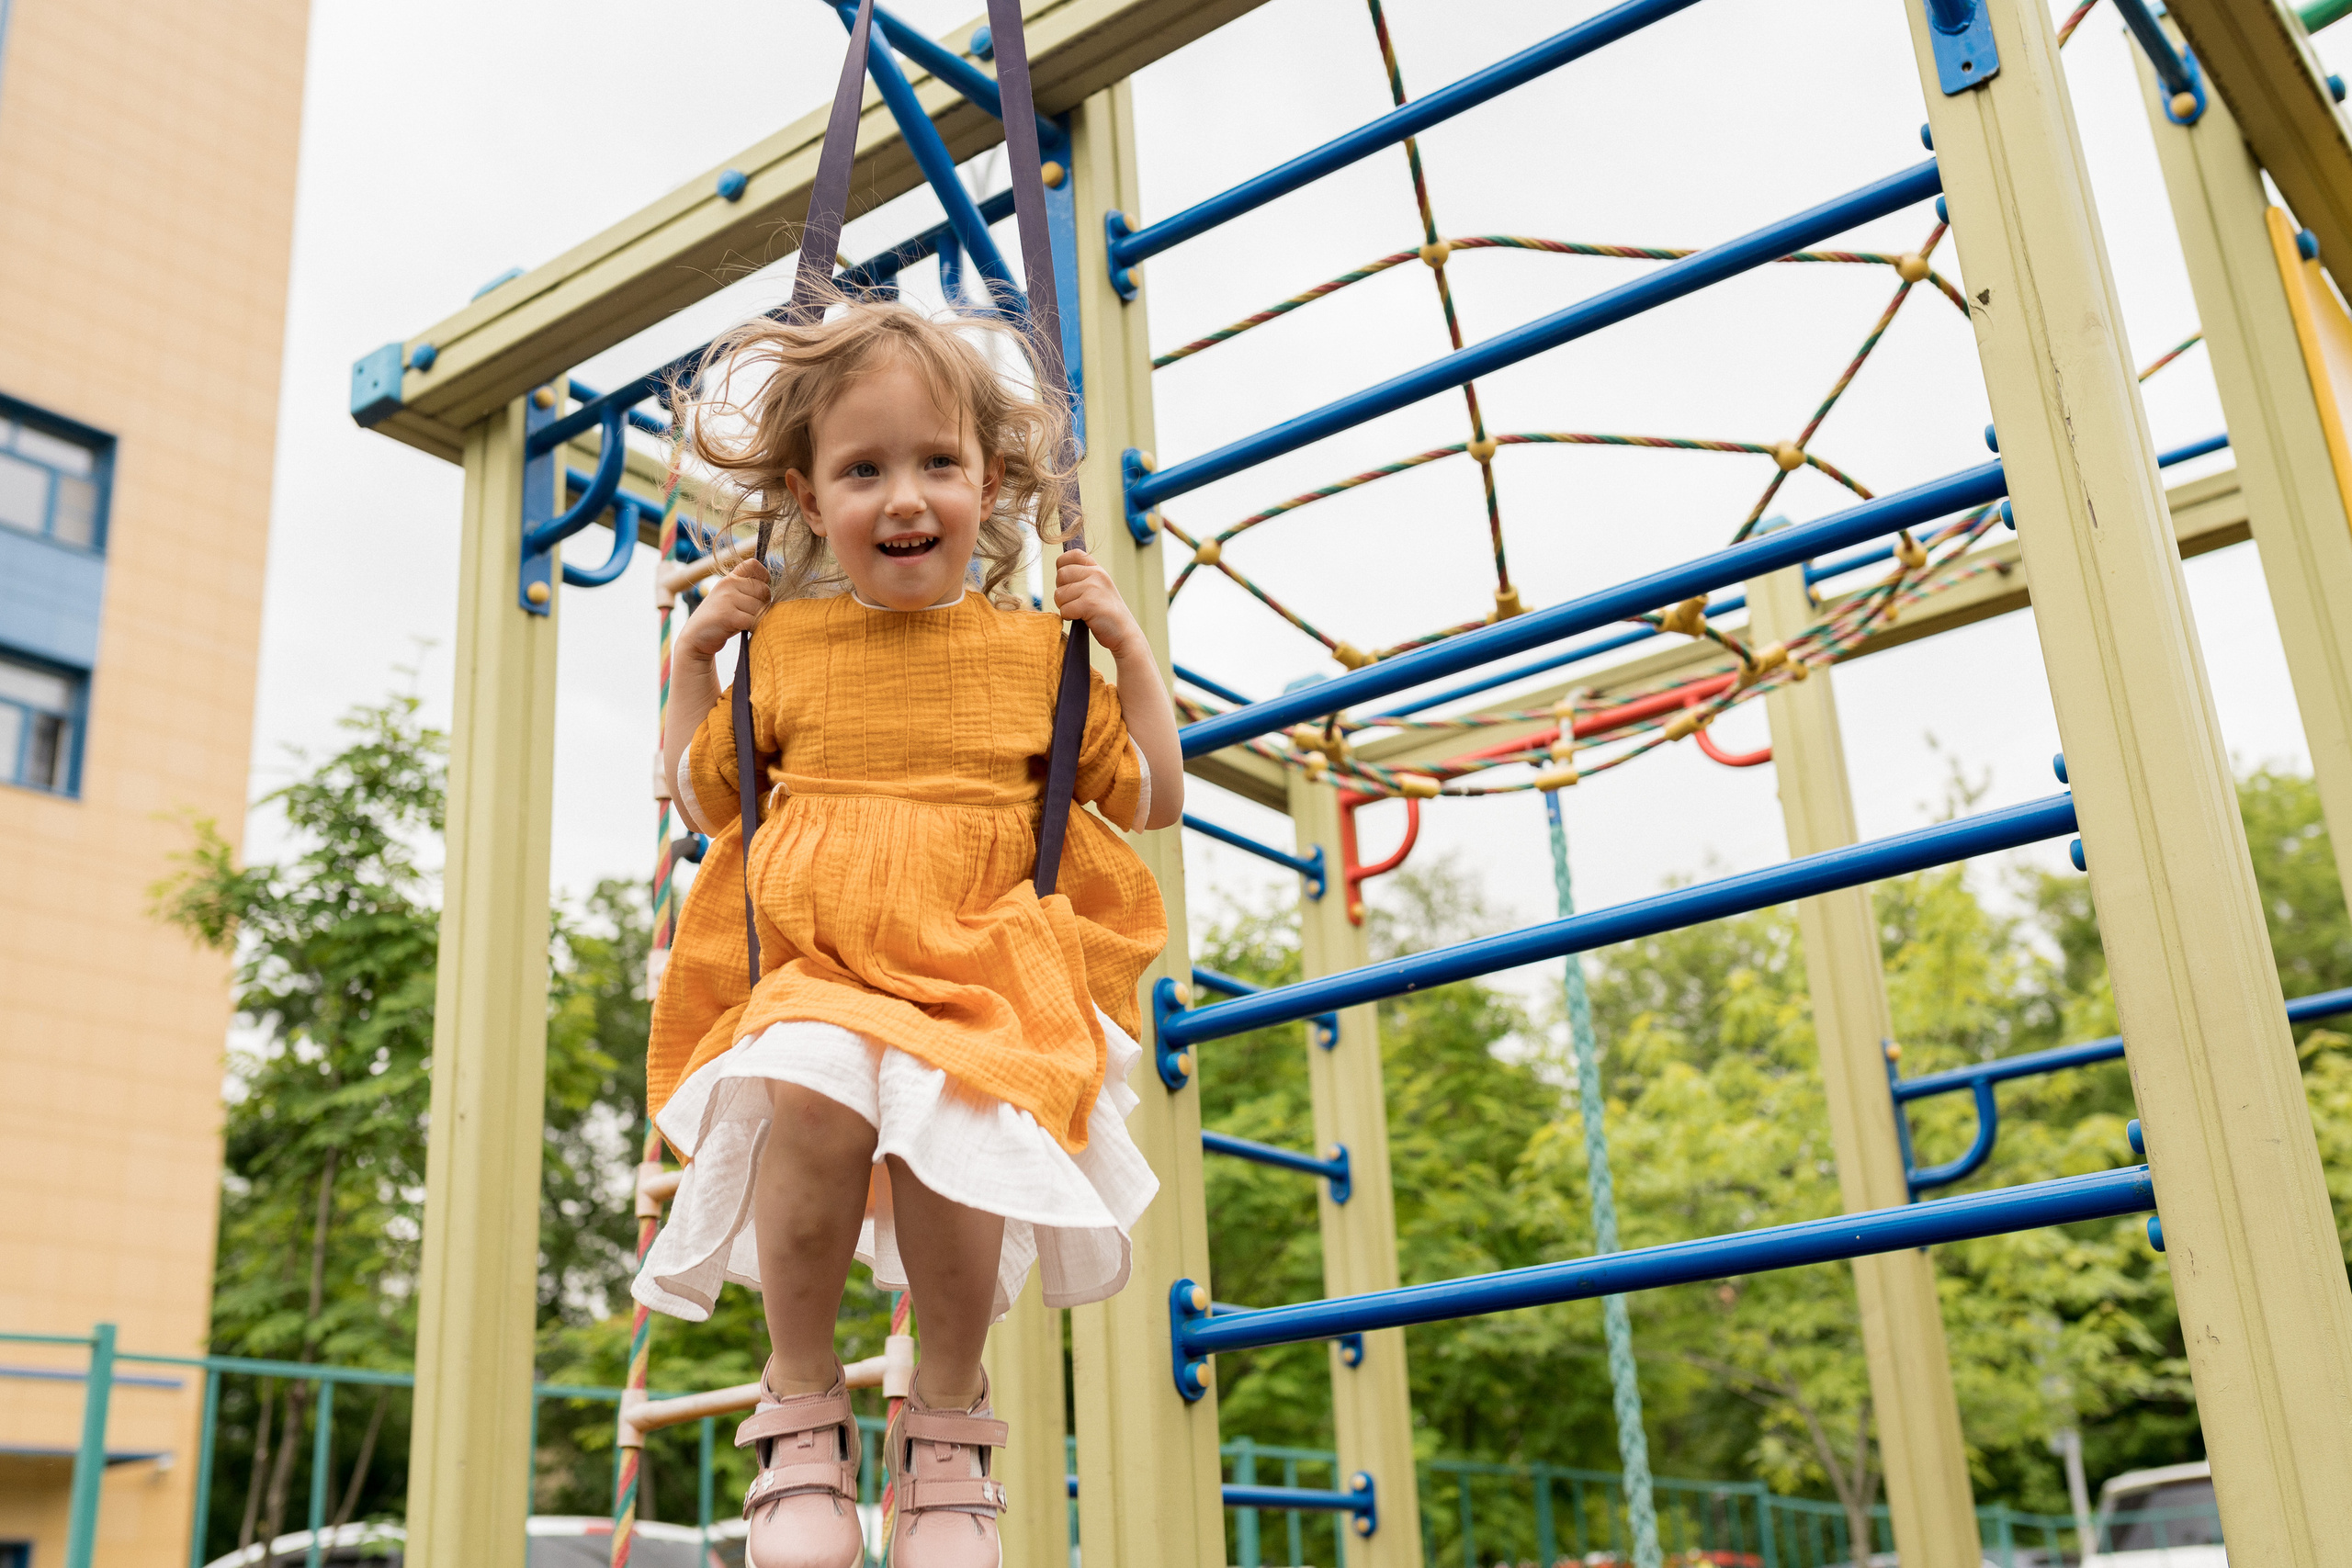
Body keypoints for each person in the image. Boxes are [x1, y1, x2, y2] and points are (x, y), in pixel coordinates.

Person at [633, 295, 1179, 1568]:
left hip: (984, 967)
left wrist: (1128, 654)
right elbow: (711, 800)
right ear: (806, 498)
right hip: (818, 961)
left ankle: (944, 1425)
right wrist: (697, 667)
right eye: (863, 469)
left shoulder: (1037, 654)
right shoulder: (791, 644)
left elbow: (1150, 796)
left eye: (936, 462)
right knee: (814, 1104)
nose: (904, 496)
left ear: (990, 485)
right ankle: (801, 1405)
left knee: (957, 1141)